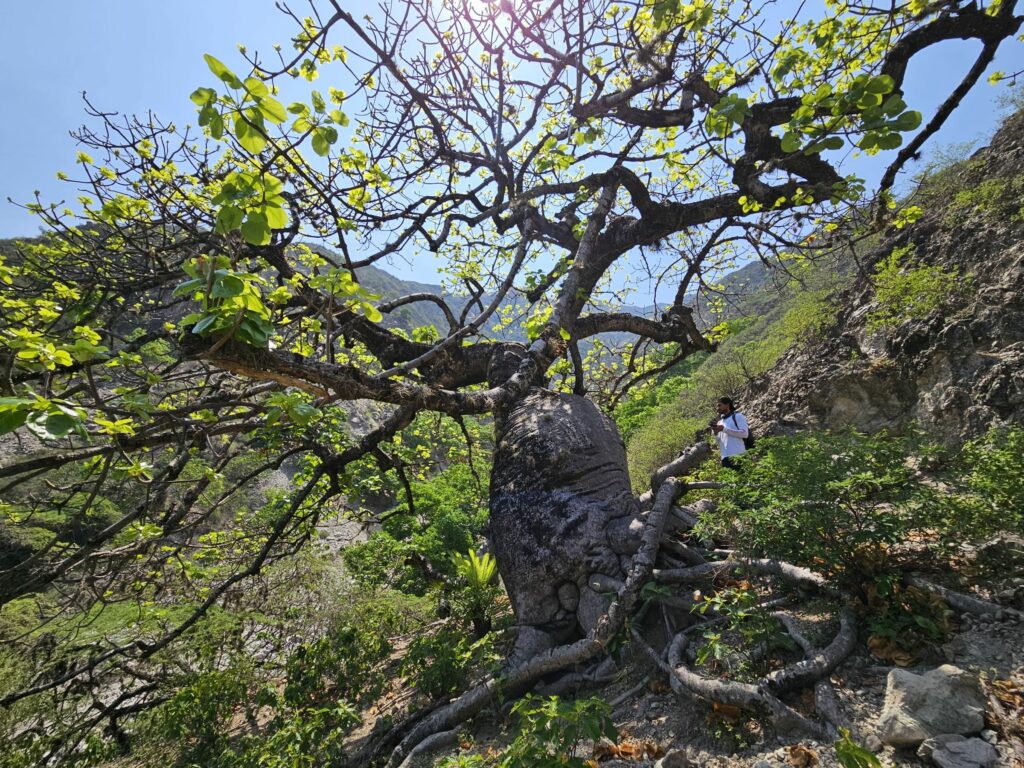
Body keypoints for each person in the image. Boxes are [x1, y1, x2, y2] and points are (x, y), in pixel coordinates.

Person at [710, 396, 748, 471]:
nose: (717, 408)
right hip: (725, 457)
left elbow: (745, 434)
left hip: (738, 455)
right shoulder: (719, 422)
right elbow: (717, 442)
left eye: (719, 405)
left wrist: (724, 429)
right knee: (728, 482)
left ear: (727, 404)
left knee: (742, 481)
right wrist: (715, 432)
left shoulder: (737, 416)